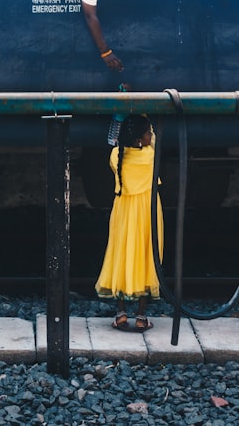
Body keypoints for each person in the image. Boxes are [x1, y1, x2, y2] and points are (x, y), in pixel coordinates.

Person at [95, 114, 164, 332]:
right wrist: (144, 113)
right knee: (146, 256)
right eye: (147, 133)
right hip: (148, 210)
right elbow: (153, 140)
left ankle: (121, 314)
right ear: (139, 140)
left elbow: (118, 141)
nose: (150, 134)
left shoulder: (116, 155)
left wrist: (125, 112)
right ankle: (142, 316)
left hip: (123, 211)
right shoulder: (151, 155)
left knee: (121, 255)